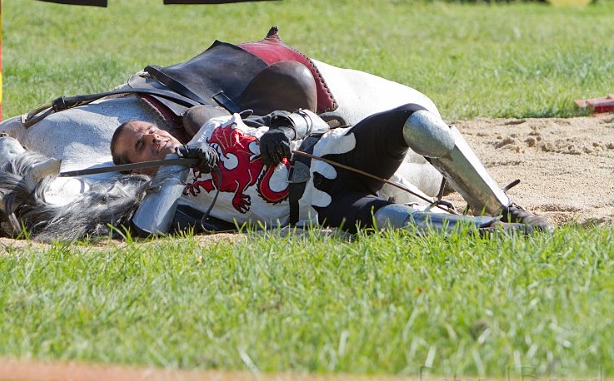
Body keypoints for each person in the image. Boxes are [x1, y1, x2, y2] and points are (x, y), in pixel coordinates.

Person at [110, 104, 552, 236]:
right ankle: (488, 230)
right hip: (320, 208)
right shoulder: (175, 202)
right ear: (137, 168)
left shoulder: (210, 124)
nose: (154, 138)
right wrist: (173, 171)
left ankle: (505, 208)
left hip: (335, 152)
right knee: (387, 220)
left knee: (416, 120)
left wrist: (281, 127)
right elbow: (145, 234)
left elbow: (311, 118)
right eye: (141, 146)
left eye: (150, 130)